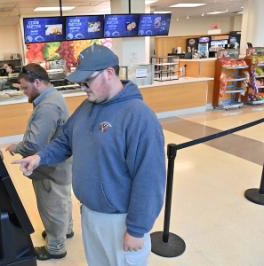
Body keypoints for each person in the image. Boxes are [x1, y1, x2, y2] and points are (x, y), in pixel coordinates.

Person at [13, 45, 166, 266]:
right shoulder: (87, 107)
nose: (82, 87)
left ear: (109, 74)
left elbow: (150, 180)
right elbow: (65, 140)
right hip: (90, 214)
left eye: (87, 81)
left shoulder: (139, 117)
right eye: (79, 82)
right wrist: (39, 157)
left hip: (121, 222)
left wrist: (137, 229)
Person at [5, 63, 73, 261]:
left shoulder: (47, 106)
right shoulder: (53, 96)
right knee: (62, 200)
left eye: (26, 88)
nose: (25, 93)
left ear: (37, 82)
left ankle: (56, 247)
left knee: (52, 206)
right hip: (61, 162)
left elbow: (34, 144)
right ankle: (64, 231)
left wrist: (17, 147)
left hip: (50, 166)